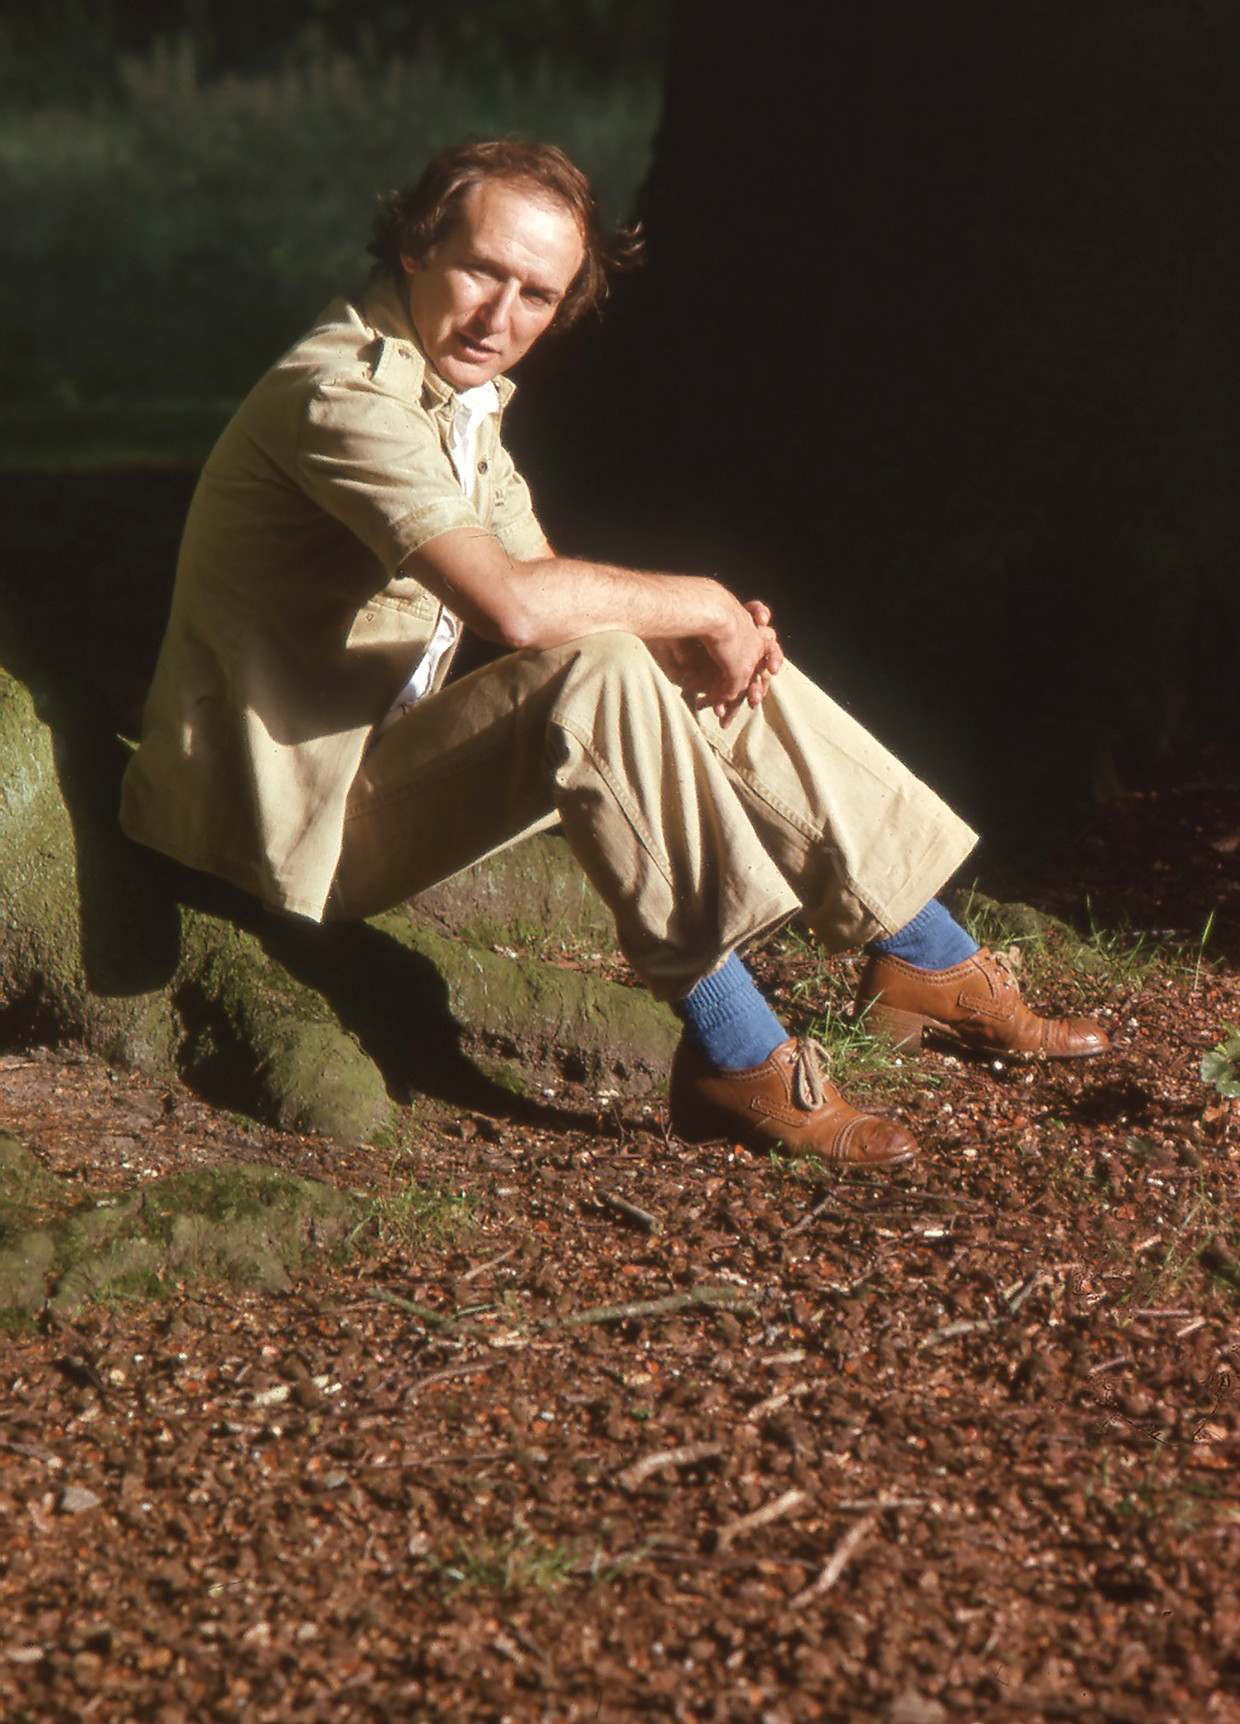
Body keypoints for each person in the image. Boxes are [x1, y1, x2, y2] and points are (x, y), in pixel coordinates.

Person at [120, 138, 1107, 1170]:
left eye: (537, 295)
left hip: (367, 784)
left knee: (698, 656)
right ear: (414, 249)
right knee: (615, 665)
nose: (500, 317)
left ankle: (924, 955)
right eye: (482, 271)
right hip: (272, 826)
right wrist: (701, 604)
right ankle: (737, 1051)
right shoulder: (343, 396)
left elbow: (558, 590)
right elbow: (513, 606)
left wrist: (706, 635)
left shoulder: (456, 401)